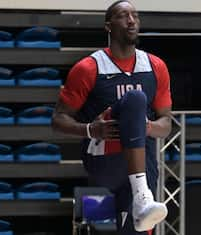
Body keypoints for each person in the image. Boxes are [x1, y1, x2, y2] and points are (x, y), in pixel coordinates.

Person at [51, 1, 172, 234]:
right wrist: (90, 130)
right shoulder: (89, 68)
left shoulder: (156, 66)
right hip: (103, 155)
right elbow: (58, 120)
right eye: (123, 16)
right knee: (136, 98)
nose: (131, 20)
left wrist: (142, 126)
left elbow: (166, 124)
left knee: (135, 230)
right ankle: (142, 195)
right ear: (108, 26)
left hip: (144, 162)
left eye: (135, 15)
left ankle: (140, 197)